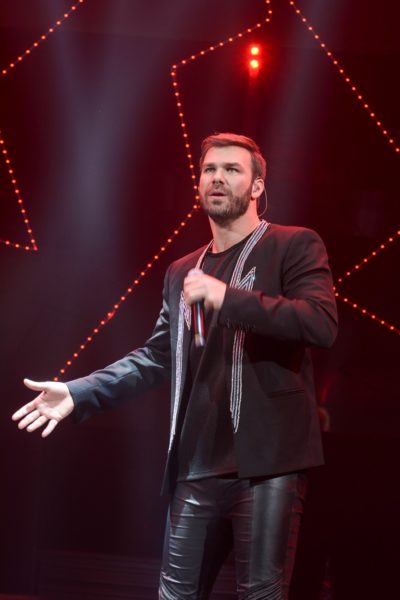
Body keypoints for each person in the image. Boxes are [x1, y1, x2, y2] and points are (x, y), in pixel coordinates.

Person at [12, 133, 338, 600]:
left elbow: (320, 323)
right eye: (209, 170)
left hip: (268, 465)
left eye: (232, 169)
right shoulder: (184, 270)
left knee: (261, 594)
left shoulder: (293, 245)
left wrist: (228, 298)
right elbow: (157, 356)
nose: (218, 177)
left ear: (257, 187)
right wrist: (79, 392)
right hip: (196, 466)